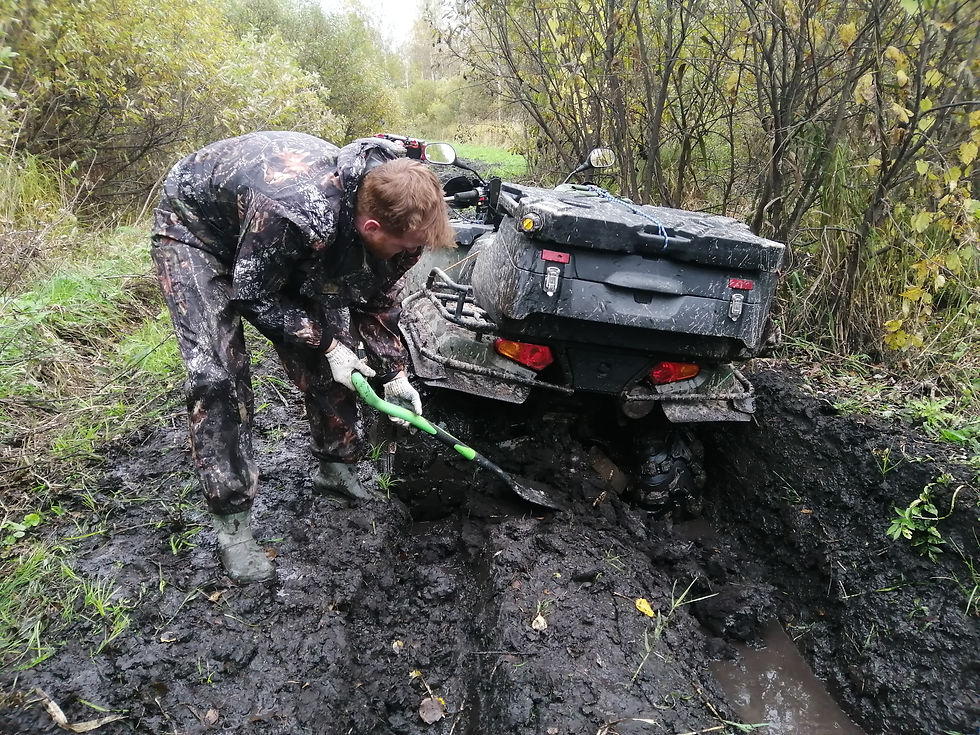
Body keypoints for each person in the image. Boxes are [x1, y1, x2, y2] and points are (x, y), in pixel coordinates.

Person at [150, 131, 455, 583]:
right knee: (217, 376)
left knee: (340, 358)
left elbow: (378, 301)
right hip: (198, 228)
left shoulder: (401, 215)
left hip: (284, 237)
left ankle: (337, 467)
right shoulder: (297, 215)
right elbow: (253, 296)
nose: (415, 253)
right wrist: (327, 344)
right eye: (408, 246)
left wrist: (395, 374)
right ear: (371, 229)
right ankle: (233, 523)